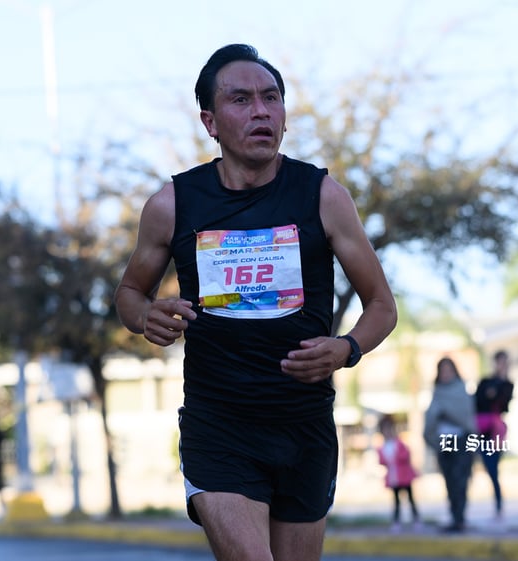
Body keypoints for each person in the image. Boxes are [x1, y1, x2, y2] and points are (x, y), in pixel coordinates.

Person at [114, 43, 397, 561]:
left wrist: (347, 348)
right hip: (218, 423)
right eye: (241, 100)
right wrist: (144, 316)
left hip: (303, 425)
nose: (261, 110)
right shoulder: (173, 205)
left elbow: (381, 304)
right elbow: (130, 294)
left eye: (271, 98)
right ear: (211, 121)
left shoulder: (322, 196)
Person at [422, 357, 476, 533]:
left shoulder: (461, 390)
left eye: (449, 370)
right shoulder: (437, 393)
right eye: (442, 371)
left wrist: (446, 413)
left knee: (461, 480)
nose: (446, 374)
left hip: (461, 441)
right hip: (443, 442)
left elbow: (466, 418)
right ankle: (454, 516)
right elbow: (430, 419)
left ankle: (460, 518)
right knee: (450, 481)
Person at [474, 349, 514, 521]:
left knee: (493, 469)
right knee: (487, 468)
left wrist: (496, 391)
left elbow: (505, 404)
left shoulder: (508, 384)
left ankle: (498, 506)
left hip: (496, 431)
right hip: (482, 431)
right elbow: (478, 400)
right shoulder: (486, 381)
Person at [376, 414, 422, 533]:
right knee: (396, 501)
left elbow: (406, 455)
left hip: (404, 476)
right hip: (394, 478)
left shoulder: (399, 443)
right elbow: (382, 461)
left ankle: (416, 519)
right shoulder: (383, 447)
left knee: (411, 499)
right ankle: (396, 522)